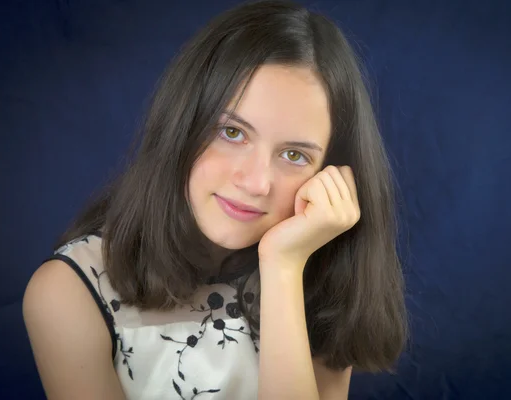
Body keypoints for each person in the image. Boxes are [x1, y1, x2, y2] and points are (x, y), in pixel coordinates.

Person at [22, 0, 408, 399]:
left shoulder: (315, 270)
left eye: (295, 155)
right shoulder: (70, 292)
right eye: (232, 133)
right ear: (183, 124)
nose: (257, 182)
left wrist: (283, 268)